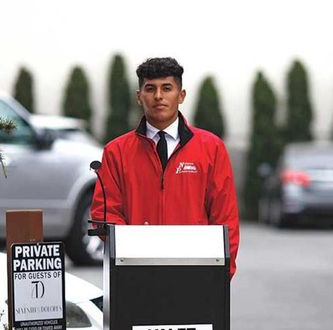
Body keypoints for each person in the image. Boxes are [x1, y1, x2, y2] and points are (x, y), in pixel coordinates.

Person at [90, 57, 239, 277]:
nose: (158, 96)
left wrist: (222, 273)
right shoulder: (116, 152)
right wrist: (132, 256)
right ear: (139, 97)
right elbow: (106, 213)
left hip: (197, 273)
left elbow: (225, 217)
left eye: (166, 88)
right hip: (135, 275)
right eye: (150, 89)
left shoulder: (211, 148)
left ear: (181, 95)